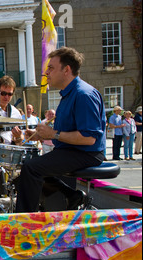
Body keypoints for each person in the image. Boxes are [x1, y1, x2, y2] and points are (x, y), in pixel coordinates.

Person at [16, 47, 106, 213]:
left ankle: (25, 220)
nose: (46, 73)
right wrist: (41, 137)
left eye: (51, 68)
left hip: (87, 154)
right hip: (71, 150)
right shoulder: (68, 95)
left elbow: (89, 138)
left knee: (31, 168)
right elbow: (65, 133)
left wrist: (52, 134)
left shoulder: (84, 95)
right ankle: (71, 196)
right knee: (29, 165)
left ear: (67, 70)